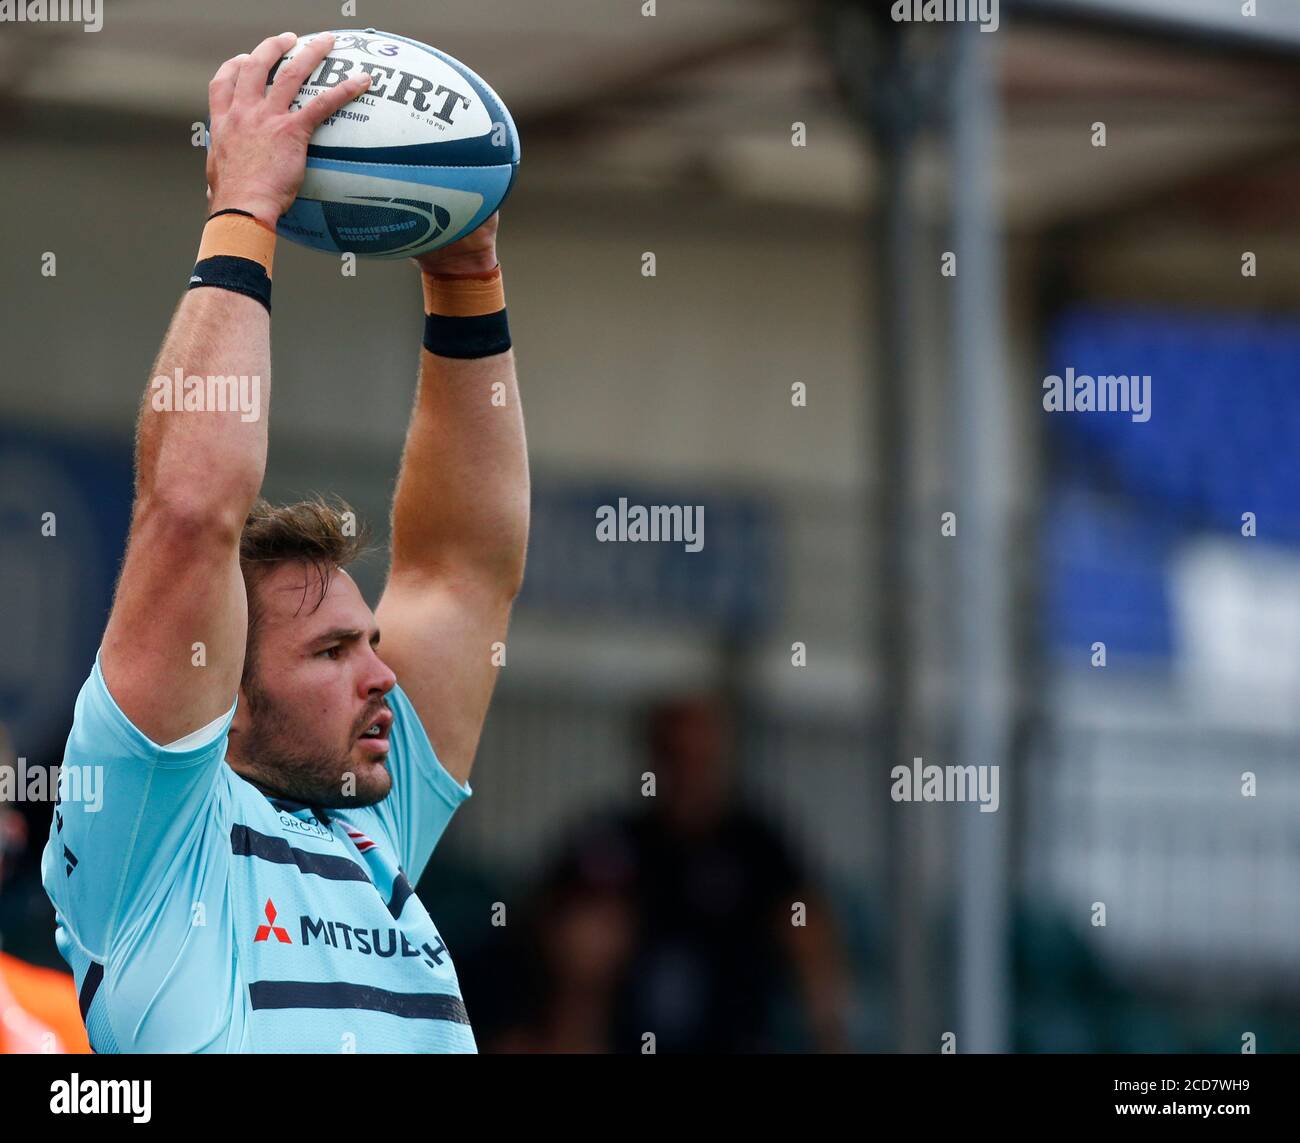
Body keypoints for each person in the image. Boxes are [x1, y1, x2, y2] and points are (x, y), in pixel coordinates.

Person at [39, 32, 528, 1053]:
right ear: (219, 691)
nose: (382, 678)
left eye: (369, 644)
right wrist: (243, 213)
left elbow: (460, 569)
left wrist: (466, 273)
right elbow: (188, 515)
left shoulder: (369, 827)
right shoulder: (156, 841)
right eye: (331, 653)